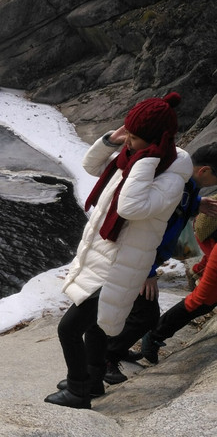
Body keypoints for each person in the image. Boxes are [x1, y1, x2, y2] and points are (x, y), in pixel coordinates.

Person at [44, 92, 191, 409]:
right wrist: (115, 138)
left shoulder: (170, 175)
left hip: (120, 265)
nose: (129, 143)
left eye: (135, 138)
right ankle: (92, 381)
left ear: (154, 143)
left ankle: (78, 390)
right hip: (104, 257)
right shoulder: (131, 157)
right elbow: (91, 165)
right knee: (96, 329)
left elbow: (131, 206)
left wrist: (147, 158)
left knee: (69, 329)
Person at [103, 143, 217, 384]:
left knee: (138, 311)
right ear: (205, 171)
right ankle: (107, 358)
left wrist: (197, 204)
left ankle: (116, 350)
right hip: (138, 259)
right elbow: (150, 228)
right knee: (144, 316)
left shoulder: (185, 185)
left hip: (142, 259)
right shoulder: (178, 186)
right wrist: (149, 269)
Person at [141, 189, 217, 364]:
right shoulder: (208, 233)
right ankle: (154, 336)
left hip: (208, 231)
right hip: (209, 231)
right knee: (201, 301)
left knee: (204, 301)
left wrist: (199, 268)